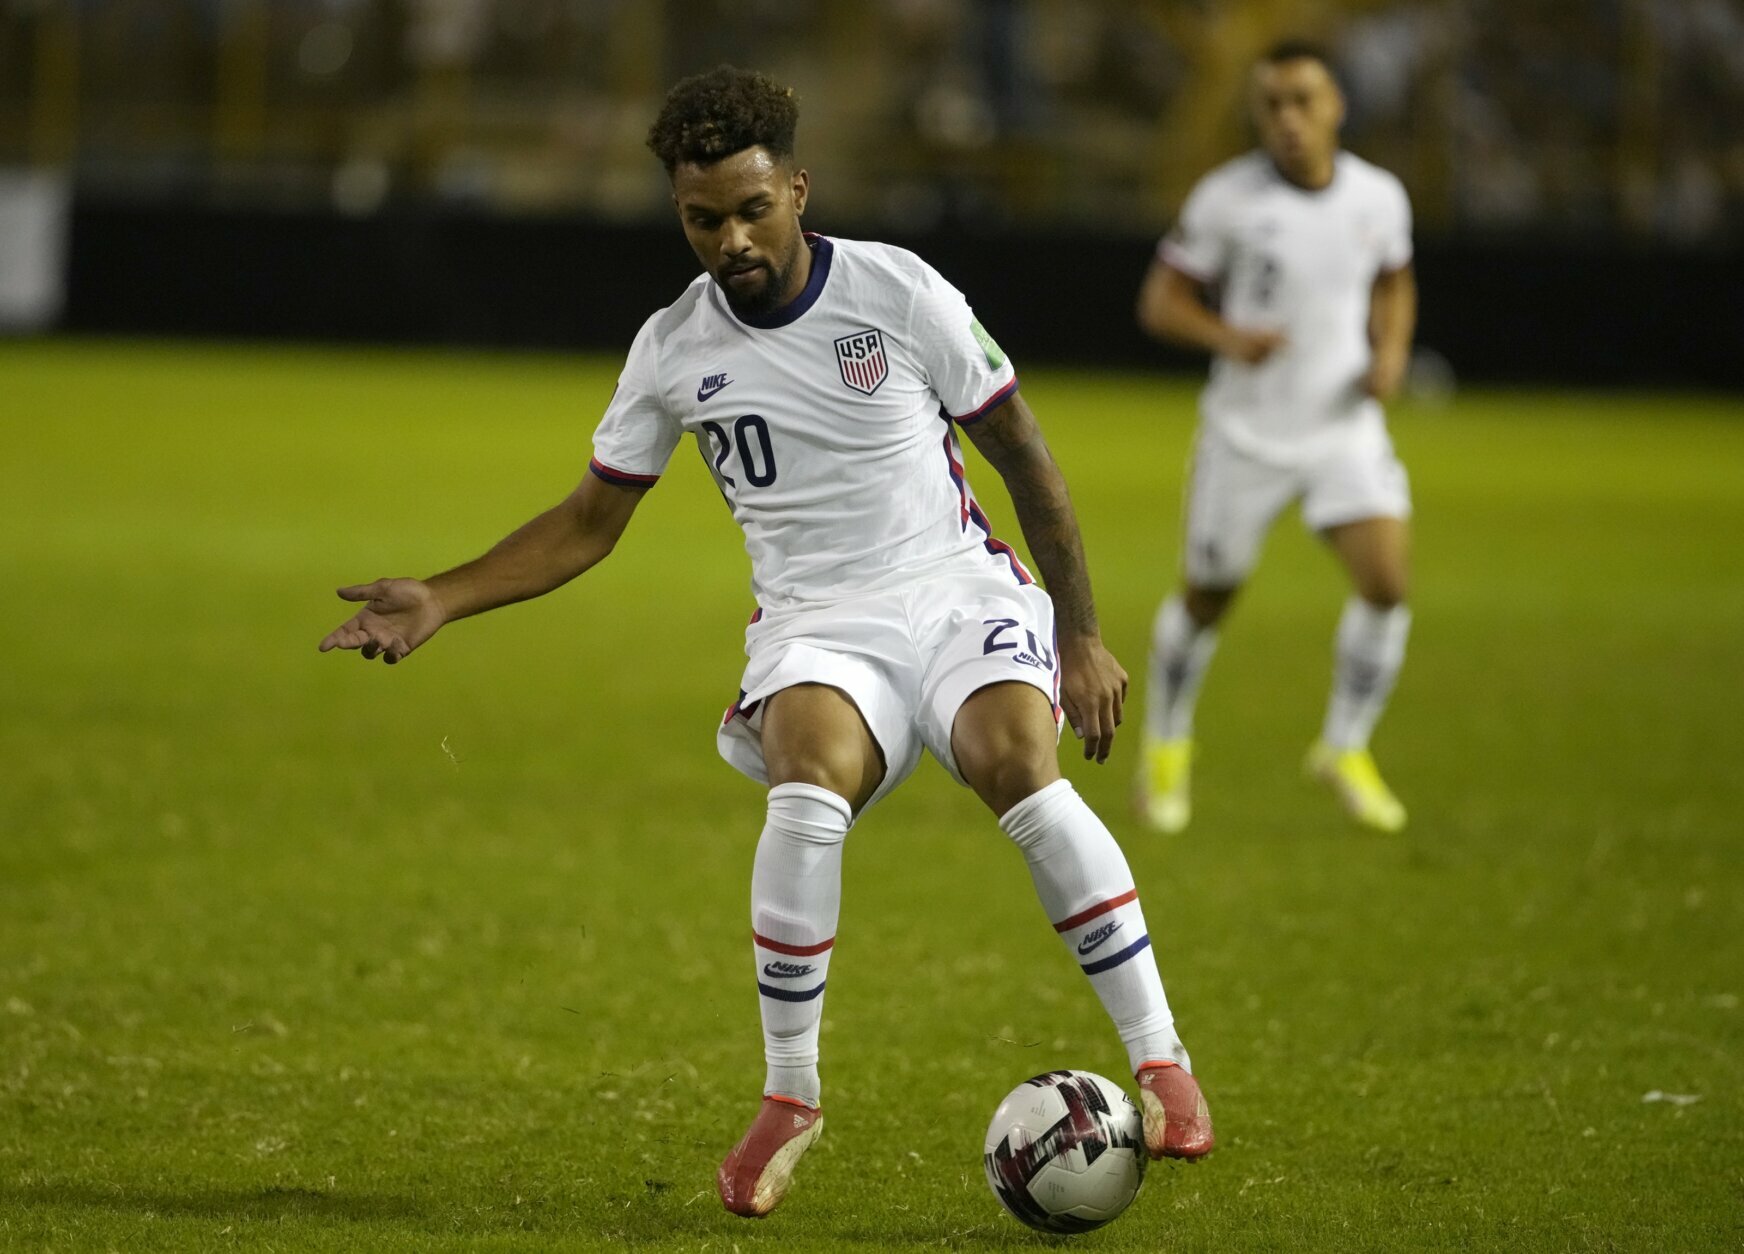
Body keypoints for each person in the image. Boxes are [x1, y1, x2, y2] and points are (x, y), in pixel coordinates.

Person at [320, 66, 1213, 1219]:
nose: (731, 240)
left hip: (952, 588)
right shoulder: (671, 348)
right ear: (678, 211)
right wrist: (442, 597)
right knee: (804, 780)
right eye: (703, 219)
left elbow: (1025, 457)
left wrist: (1081, 636)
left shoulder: (899, 292)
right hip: (815, 621)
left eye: (751, 209)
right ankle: (791, 1095)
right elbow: (590, 521)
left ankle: (1159, 1059)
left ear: (797, 188)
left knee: (1013, 763)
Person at [1134, 39, 1418, 835]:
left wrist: (1391, 352)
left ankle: (1345, 747)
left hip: (1342, 429)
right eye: (1272, 105)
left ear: (1337, 107)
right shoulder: (1226, 199)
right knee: (1208, 597)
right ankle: (1165, 745)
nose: (1288, 119)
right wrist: (1228, 337)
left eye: (1303, 101)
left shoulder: (1379, 197)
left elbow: (1394, 280)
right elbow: (1160, 303)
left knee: (1387, 584)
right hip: (1247, 436)